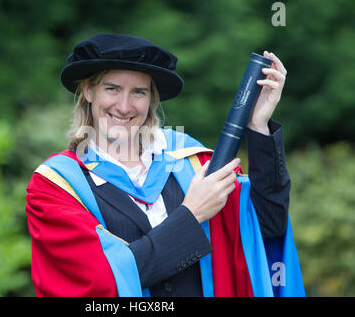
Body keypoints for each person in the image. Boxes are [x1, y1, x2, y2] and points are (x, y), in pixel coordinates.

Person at [25, 33, 305, 297]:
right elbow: (101, 281)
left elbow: (267, 227)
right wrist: (191, 215)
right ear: (88, 91)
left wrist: (257, 125)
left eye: (138, 92)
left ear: (151, 99)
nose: (124, 106)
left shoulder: (192, 162)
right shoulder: (57, 185)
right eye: (112, 89)